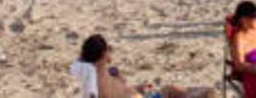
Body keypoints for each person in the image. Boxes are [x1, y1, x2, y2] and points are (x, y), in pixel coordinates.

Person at [70, 33, 215, 98]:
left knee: (170, 89)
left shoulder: (101, 72)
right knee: (173, 91)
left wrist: (137, 88)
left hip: (140, 94)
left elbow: (120, 90)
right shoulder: (99, 81)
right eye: (109, 49)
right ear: (103, 54)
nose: (110, 52)